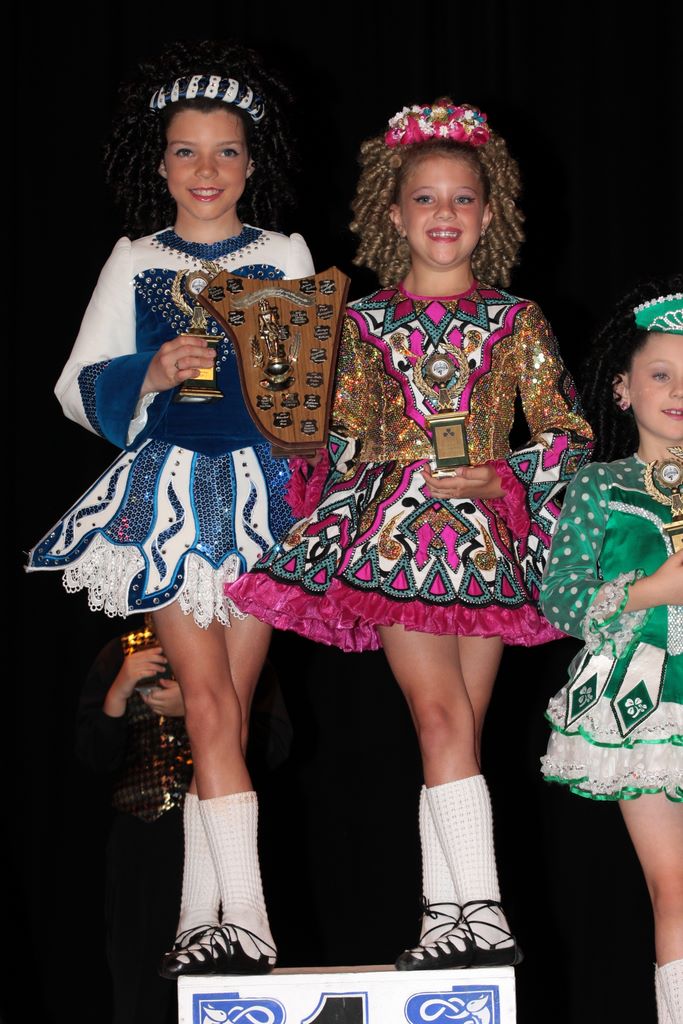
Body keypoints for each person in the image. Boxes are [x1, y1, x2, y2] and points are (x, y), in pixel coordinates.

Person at [227, 99, 593, 970]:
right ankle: (481, 915)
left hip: (487, 543)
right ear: (392, 215)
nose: (443, 214)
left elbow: (566, 434)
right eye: (424, 198)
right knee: (436, 714)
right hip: (395, 536)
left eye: (461, 198)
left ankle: (449, 921)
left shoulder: (516, 319)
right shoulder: (359, 323)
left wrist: (502, 475)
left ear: (489, 214)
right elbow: (342, 437)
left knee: (459, 727)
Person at [26, 39, 315, 978]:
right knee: (207, 700)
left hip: (262, 499)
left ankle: (201, 923)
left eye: (225, 151)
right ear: (159, 165)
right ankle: (250, 925)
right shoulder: (135, 259)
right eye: (186, 151)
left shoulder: (284, 255)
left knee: (229, 716)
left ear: (251, 164)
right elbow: (74, 384)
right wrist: (147, 371)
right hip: (172, 501)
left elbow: (313, 390)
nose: (205, 169)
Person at [539, 278, 683, 1023]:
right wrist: (649, 591)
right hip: (642, 707)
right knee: (675, 887)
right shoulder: (599, 486)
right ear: (622, 389)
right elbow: (561, 598)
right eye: (660, 373)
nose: (678, 391)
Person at [76, 618, 190, 1023]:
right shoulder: (119, 652)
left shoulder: (229, 644)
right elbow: (94, 756)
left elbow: (273, 740)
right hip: (138, 841)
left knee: (206, 962)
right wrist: (120, 690)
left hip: (207, 833)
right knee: (137, 971)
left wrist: (198, 707)